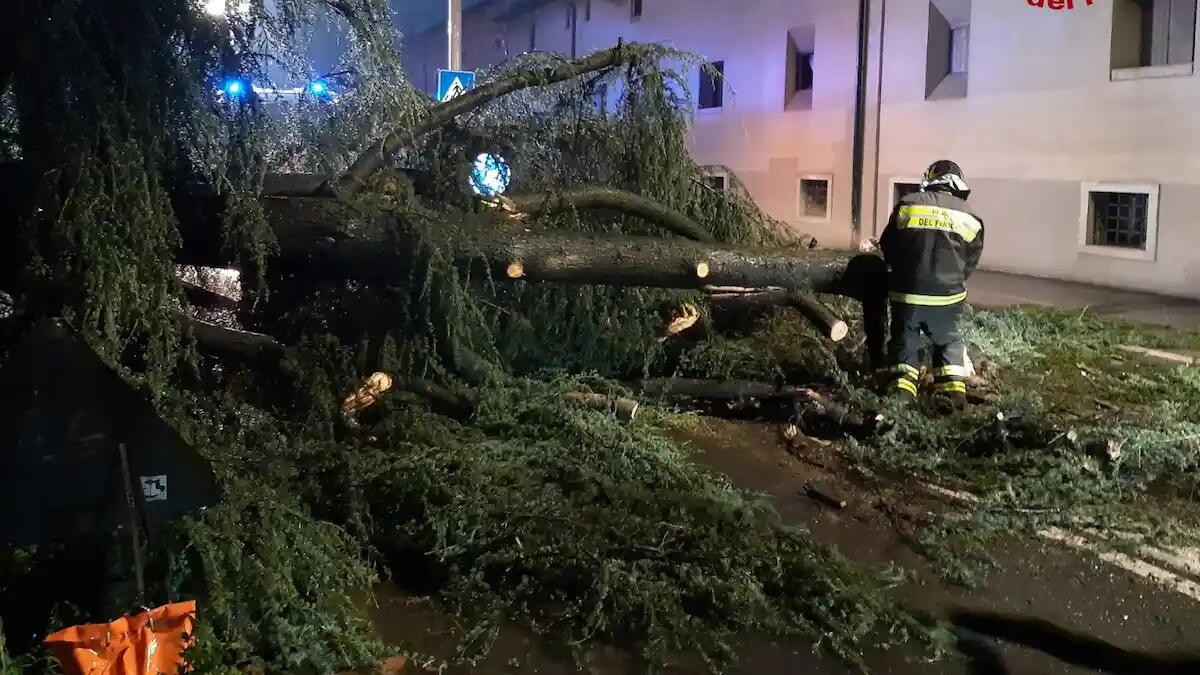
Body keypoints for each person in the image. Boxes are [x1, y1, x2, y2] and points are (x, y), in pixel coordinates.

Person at [878, 160, 984, 411]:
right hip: (947, 299)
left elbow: (888, 246)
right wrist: (952, 281)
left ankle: (900, 399)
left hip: (907, 294)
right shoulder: (970, 217)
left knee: (905, 342)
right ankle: (953, 398)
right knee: (949, 342)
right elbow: (970, 261)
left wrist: (903, 271)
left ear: (931, 180)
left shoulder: (908, 205)